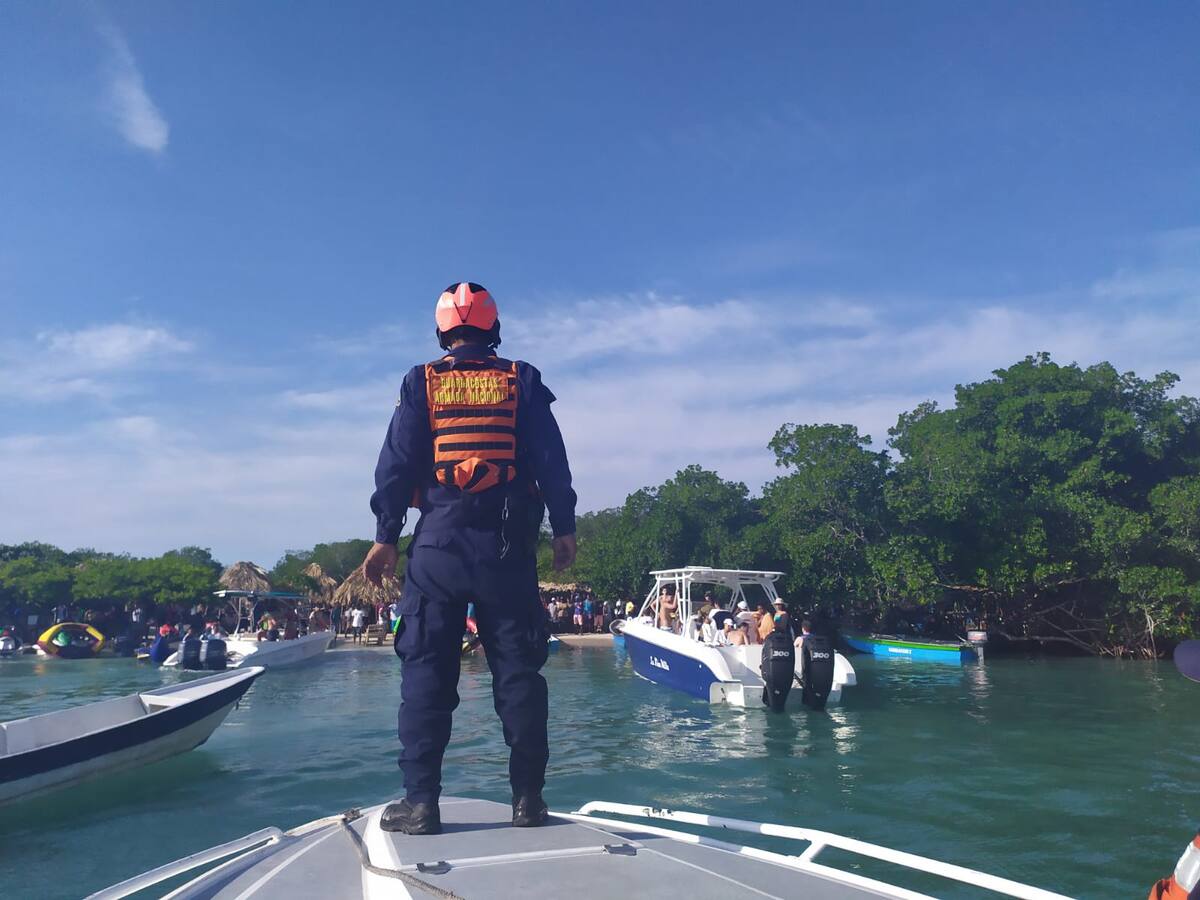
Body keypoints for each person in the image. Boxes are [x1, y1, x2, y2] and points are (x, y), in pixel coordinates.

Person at [362, 282, 577, 836]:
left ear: (443, 333)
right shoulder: (521, 379)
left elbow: (396, 463)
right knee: (519, 674)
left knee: (427, 674)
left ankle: (421, 806)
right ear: (494, 328)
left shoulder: (421, 382)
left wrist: (386, 535)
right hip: (507, 549)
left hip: (437, 546)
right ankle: (528, 801)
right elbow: (551, 460)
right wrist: (564, 527)